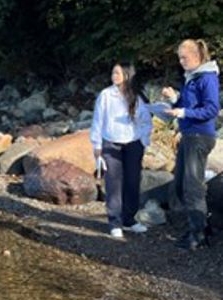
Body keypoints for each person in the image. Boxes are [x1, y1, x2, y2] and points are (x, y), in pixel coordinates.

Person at [162, 39, 220, 250]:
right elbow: (187, 105)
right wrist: (174, 98)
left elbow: (212, 109)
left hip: (200, 136)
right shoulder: (192, 78)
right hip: (189, 135)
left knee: (192, 187)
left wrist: (184, 112)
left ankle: (198, 235)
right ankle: (202, 226)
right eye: (179, 57)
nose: (181, 61)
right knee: (180, 185)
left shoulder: (207, 78)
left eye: (184, 57)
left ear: (197, 56)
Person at [90, 63, 152, 239]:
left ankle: (129, 219)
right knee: (114, 183)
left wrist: (143, 141)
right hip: (111, 144)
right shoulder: (106, 95)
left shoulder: (137, 96)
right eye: (113, 72)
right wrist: (97, 146)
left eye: (117, 72)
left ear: (127, 75)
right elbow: (97, 121)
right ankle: (114, 221)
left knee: (133, 181)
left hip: (133, 143)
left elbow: (146, 120)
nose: (114, 75)